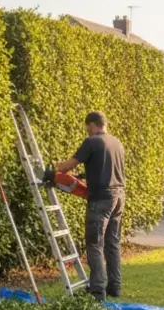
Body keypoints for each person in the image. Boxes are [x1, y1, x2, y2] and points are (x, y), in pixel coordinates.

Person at [48, 111, 126, 300]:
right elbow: (104, 170)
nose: (88, 132)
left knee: (94, 244)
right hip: (119, 197)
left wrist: (53, 167)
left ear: (92, 126)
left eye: (87, 128)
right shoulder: (116, 143)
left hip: (100, 199)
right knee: (112, 243)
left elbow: (68, 166)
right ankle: (114, 287)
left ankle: (98, 291)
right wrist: (83, 177)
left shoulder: (91, 142)